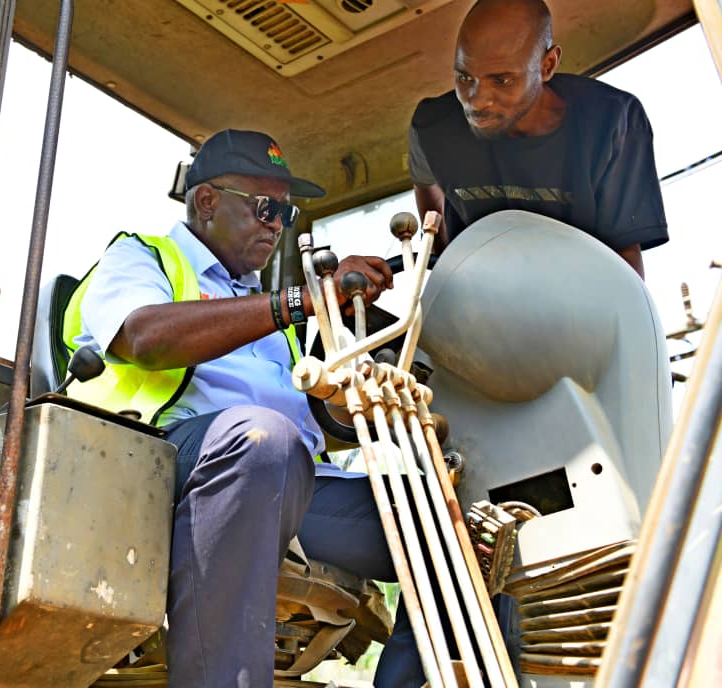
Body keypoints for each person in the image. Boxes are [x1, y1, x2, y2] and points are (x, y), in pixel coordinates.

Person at [63, 129, 425, 686]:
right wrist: (298, 301)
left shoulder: (257, 304)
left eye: (287, 211)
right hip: (164, 466)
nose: (277, 224)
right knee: (262, 438)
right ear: (206, 202)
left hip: (283, 479)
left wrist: (356, 395)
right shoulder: (139, 257)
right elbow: (144, 337)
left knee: (457, 525)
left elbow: (313, 427)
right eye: (266, 208)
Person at [408, 0, 668, 278]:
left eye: (502, 80)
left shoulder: (612, 122)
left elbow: (625, 260)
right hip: (482, 302)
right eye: (464, 77)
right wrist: (450, 270)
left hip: (579, 293)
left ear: (547, 65)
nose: (476, 100)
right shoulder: (432, 126)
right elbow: (427, 193)